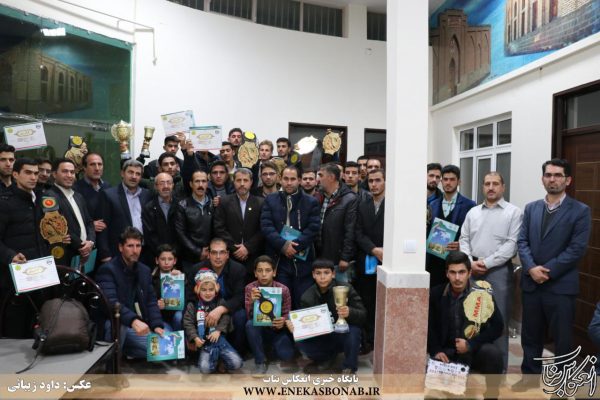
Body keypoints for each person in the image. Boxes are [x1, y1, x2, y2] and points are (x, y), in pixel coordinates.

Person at [513, 159, 591, 391]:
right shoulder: (531, 208)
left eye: (558, 175)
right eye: (548, 175)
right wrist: (530, 268)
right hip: (532, 284)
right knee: (530, 336)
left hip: (560, 286)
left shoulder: (580, 211)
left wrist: (546, 271)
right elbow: (522, 241)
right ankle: (530, 378)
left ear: (568, 180)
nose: (552, 179)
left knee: (563, 339)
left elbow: (576, 249)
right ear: (542, 179)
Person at [459, 171, 522, 372]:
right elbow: (464, 239)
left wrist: (485, 263)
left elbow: (511, 245)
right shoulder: (473, 212)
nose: (491, 187)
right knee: (471, 317)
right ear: (483, 187)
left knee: (498, 320)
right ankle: (472, 364)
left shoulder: (514, 213)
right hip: (473, 270)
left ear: (503, 187)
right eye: (487, 184)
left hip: (498, 271)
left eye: (495, 183)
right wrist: (470, 262)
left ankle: (498, 369)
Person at [427, 251, 504, 399]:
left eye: (461, 272)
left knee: (493, 354)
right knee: (450, 395)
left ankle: (492, 394)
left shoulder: (482, 294)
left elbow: (498, 326)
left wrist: (471, 344)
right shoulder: (436, 293)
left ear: (469, 273)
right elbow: (429, 326)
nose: (457, 278)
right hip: (447, 352)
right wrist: (436, 350)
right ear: (447, 274)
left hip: (474, 350)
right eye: (453, 272)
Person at [96, 227, 165, 359]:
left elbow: (151, 301)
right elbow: (111, 303)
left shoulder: (144, 270)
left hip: (139, 323)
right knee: (120, 325)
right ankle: (112, 361)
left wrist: (156, 325)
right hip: (116, 323)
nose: (135, 250)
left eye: (138, 246)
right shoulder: (108, 270)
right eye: (130, 246)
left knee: (167, 348)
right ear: (121, 247)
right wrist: (133, 320)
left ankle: (126, 350)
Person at [287, 259, 365, 374]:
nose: (322, 277)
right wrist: (296, 328)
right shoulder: (307, 296)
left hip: (343, 333)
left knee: (354, 331)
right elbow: (306, 325)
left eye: (326, 273)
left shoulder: (345, 288)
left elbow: (363, 314)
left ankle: (349, 368)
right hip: (323, 335)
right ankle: (326, 358)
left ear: (333, 274)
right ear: (313, 275)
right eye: (318, 273)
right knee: (301, 341)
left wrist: (350, 312)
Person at [0, 158, 49, 337]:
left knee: (39, 323)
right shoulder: (5, 202)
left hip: (41, 273)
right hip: (14, 277)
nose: (33, 177)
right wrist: (10, 256)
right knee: (15, 328)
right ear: (15, 174)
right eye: (28, 173)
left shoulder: (42, 199)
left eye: (36, 173)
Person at [261, 165, 321, 307]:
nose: (289, 183)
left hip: (303, 260)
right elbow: (266, 226)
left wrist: (294, 246)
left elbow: (313, 228)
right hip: (278, 259)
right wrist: (283, 245)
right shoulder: (270, 200)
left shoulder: (311, 201)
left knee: (302, 301)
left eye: (293, 179)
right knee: (281, 302)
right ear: (280, 180)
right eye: (286, 179)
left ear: (299, 180)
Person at [188, 238, 247, 354]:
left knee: (241, 315)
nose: (218, 257)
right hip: (202, 308)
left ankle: (236, 352)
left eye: (222, 252)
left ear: (227, 254)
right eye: (214, 253)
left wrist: (221, 309)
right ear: (209, 254)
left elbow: (240, 297)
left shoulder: (238, 269)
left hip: (227, 309)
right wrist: (202, 310)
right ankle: (198, 352)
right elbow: (190, 297)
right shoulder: (196, 269)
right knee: (180, 316)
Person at [183, 268, 243, 374]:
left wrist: (218, 330)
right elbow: (188, 322)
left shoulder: (220, 302)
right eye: (204, 290)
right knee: (205, 369)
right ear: (197, 290)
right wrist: (195, 337)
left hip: (220, 341)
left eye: (211, 290)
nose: (208, 293)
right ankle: (216, 361)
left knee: (237, 363)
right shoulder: (193, 305)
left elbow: (226, 318)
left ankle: (220, 359)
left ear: (216, 290)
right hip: (204, 343)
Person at [426, 164, 476, 287]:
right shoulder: (432, 205)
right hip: (434, 263)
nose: (448, 183)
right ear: (441, 181)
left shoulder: (469, 205)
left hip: (457, 263)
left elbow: (474, 234)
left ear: (459, 181)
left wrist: (461, 245)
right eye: (445, 179)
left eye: (452, 179)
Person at [244, 255, 294, 376]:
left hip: (277, 330)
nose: (264, 274)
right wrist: (252, 302)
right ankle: (260, 361)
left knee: (286, 355)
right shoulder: (251, 288)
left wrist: (283, 320)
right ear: (255, 273)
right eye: (260, 271)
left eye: (268, 270)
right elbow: (248, 315)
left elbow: (287, 313)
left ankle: (269, 350)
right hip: (259, 329)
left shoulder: (283, 289)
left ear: (274, 272)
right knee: (250, 324)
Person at [213, 168, 264, 282]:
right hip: (231, 256)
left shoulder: (261, 202)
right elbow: (219, 228)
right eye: (238, 180)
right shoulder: (224, 202)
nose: (242, 184)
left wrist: (247, 247)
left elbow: (263, 229)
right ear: (233, 182)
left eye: (245, 180)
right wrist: (235, 248)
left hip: (253, 256)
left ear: (251, 182)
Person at [355, 168, 385, 353]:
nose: (374, 184)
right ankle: (367, 341)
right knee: (365, 301)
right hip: (366, 259)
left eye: (378, 180)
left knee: (382, 302)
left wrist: (383, 251)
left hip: (386, 260)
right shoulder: (362, 204)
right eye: (371, 181)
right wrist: (373, 249)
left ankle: (380, 339)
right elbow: (357, 232)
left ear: (385, 181)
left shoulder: (393, 204)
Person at [98, 159, 152, 262]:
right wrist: (105, 254)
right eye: (130, 172)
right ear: (122, 173)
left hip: (144, 252)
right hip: (118, 253)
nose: (134, 176)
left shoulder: (147, 195)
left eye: (138, 174)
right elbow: (102, 227)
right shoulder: (109, 195)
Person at [46, 158, 95, 266]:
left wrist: (91, 241)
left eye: (72, 172)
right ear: (54, 174)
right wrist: (82, 246)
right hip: (66, 256)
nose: (69, 175)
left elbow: (89, 222)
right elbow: (59, 228)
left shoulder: (78, 196)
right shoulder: (49, 197)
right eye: (65, 171)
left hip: (85, 254)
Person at [315, 163, 357, 283]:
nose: (318, 179)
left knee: (340, 292)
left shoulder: (349, 199)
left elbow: (351, 230)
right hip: (320, 255)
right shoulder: (319, 197)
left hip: (338, 259)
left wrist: (345, 257)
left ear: (331, 177)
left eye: (321, 175)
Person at [174, 170, 213, 276]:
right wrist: (198, 251)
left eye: (203, 181)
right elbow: (180, 233)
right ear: (191, 184)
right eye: (197, 181)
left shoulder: (213, 204)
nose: (200, 185)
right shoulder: (182, 205)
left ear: (207, 183)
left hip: (210, 256)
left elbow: (217, 229)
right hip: (189, 257)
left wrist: (210, 250)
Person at [142, 172, 177, 264]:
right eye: (162, 183)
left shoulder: (180, 205)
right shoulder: (148, 208)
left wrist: (174, 253)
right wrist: (163, 254)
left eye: (169, 183)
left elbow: (182, 232)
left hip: (177, 256)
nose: (166, 186)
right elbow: (149, 235)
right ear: (156, 186)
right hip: (155, 257)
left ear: (173, 185)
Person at [73, 153, 111, 237]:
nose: (97, 168)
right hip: (86, 239)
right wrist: (89, 225)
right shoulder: (75, 190)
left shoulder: (107, 187)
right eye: (92, 164)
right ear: (84, 167)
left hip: (106, 237)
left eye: (100, 164)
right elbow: (71, 217)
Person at [151, 244, 183, 331]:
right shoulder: (151, 279)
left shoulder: (180, 277)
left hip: (177, 316)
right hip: (161, 318)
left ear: (175, 261)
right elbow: (147, 301)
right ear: (157, 260)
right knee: (165, 333)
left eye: (170, 259)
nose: (166, 262)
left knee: (179, 316)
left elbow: (187, 300)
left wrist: (181, 281)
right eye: (162, 259)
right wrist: (156, 304)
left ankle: (183, 339)